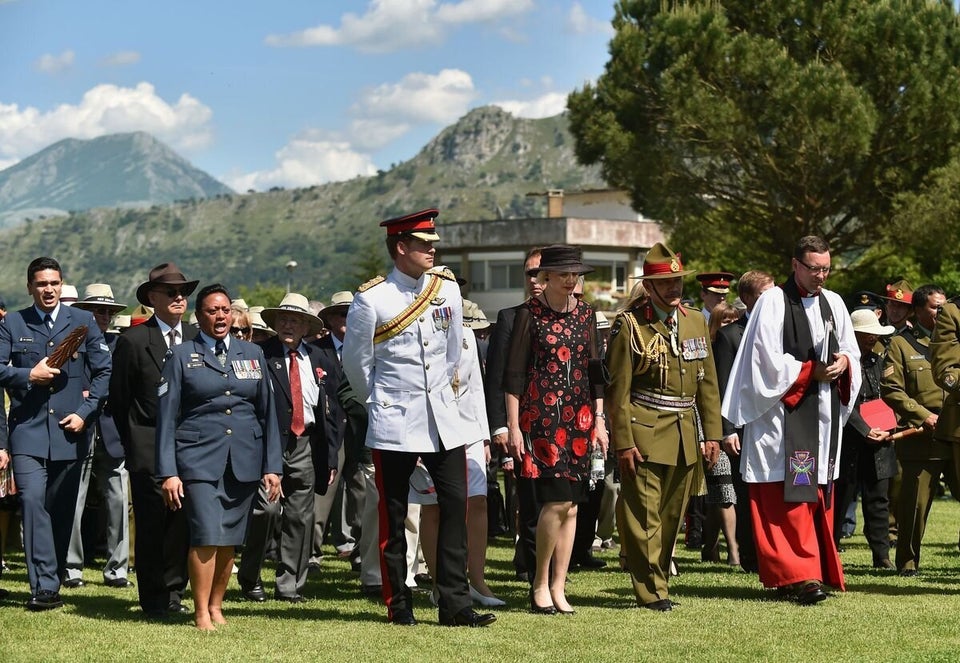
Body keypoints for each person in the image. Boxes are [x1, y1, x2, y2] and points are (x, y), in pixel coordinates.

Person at [342, 208, 495, 628]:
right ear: (401, 247)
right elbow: (357, 366)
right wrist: (381, 403)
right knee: (394, 515)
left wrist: (443, 399)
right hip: (395, 420)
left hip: (444, 419)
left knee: (453, 509)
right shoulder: (371, 299)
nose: (431, 250)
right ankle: (399, 604)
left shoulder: (445, 289)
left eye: (433, 244)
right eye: (424, 244)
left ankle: (455, 605)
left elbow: (451, 354)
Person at [722, 236, 861, 605]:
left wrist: (844, 363)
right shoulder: (773, 301)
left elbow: (851, 348)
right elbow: (763, 360)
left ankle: (816, 569)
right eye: (814, 268)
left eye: (826, 268)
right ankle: (798, 576)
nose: (820, 276)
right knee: (787, 497)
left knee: (815, 495)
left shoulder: (834, 302)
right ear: (795, 264)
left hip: (823, 417)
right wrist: (809, 371)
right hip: (782, 419)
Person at [156, 284, 282, 631]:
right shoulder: (181, 355)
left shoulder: (252, 354)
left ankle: (216, 606)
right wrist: (168, 471)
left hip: (244, 458)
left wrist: (273, 466)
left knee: (229, 540)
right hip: (197, 459)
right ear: (199, 317)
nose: (220, 316)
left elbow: (268, 414)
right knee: (206, 534)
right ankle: (199, 611)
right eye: (212, 311)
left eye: (225, 310)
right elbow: (167, 418)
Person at [605, 243, 721, 611]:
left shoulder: (694, 320)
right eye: (666, 283)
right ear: (649, 287)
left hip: (686, 431)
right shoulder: (631, 326)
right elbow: (617, 392)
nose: (674, 289)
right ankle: (652, 590)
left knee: (671, 516)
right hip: (644, 431)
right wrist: (623, 443)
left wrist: (713, 434)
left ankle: (659, 581)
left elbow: (708, 384)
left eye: (678, 281)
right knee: (643, 516)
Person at [0, 256, 112, 610]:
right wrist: (26, 376)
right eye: (41, 284)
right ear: (30, 287)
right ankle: (43, 587)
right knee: (33, 503)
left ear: (61, 285)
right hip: (28, 432)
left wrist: (85, 413)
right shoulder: (13, 322)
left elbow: (104, 373)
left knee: (60, 511)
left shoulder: (82, 322)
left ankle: (54, 574)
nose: (48, 289)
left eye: (54, 283)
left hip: (70, 431)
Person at [503, 244, 608, 615]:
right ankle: (539, 582)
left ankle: (560, 585)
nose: (570, 280)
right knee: (556, 501)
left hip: (579, 419)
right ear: (543, 277)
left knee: (574, 506)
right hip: (541, 422)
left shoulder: (587, 315)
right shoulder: (528, 315)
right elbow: (513, 375)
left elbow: (595, 370)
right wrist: (513, 427)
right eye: (563, 273)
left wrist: (599, 420)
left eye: (574, 274)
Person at [109, 262, 199, 619]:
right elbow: (119, 400)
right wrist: (131, 446)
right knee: (150, 522)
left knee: (182, 521)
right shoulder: (133, 341)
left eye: (183, 292)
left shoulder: (196, 337)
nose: (179, 298)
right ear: (151, 299)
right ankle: (153, 596)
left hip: (189, 445)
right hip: (146, 443)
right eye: (171, 292)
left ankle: (175, 590)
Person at [238, 292, 337, 603]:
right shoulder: (259, 354)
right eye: (283, 319)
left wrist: (331, 455)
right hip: (268, 444)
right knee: (265, 511)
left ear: (306, 326)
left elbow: (330, 410)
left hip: (307, 443)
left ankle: (289, 584)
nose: (288, 324)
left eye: (295, 319)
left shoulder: (319, 358)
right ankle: (250, 576)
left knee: (299, 517)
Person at [63, 284, 133, 589]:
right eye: (97, 310)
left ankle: (118, 570)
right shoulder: (68, 345)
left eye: (108, 311)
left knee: (119, 500)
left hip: (113, 431)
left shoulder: (121, 345)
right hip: (78, 428)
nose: (103, 316)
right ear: (83, 312)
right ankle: (71, 568)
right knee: (74, 500)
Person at [881, 284, 948, 576]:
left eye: (945, 307)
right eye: (935, 308)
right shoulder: (901, 344)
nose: (942, 312)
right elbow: (892, 389)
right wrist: (923, 415)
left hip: (956, 436)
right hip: (923, 437)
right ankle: (908, 562)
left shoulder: (955, 343)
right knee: (915, 506)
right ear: (918, 310)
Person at [485, 247, 542, 583]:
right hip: (520, 425)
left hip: (560, 423)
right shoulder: (510, 317)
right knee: (525, 499)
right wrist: (500, 426)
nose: (535, 280)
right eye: (529, 273)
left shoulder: (573, 318)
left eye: (540, 273)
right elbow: (497, 378)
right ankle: (527, 561)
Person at [715, 270, 775, 574]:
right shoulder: (730, 336)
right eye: (765, 294)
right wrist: (727, 430)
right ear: (749, 299)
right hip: (743, 428)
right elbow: (723, 387)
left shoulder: (782, 330)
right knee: (746, 492)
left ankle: (773, 552)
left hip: (776, 426)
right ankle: (750, 557)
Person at [835, 309, 896, 569]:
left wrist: (887, 429)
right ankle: (831, 551)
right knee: (841, 498)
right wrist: (864, 429)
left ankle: (881, 556)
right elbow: (840, 403)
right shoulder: (841, 363)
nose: (873, 338)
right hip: (849, 441)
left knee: (878, 500)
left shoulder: (878, 361)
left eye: (875, 334)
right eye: (867, 334)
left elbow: (888, 397)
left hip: (880, 439)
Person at [700, 300, 742, 566]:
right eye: (724, 321)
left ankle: (711, 545)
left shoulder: (741, 348)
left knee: (723, 493)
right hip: (714, 428)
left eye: (733, 320)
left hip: (737, 427)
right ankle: (733, 551)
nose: (730, 325)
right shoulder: (706, 351)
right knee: (723, 490)